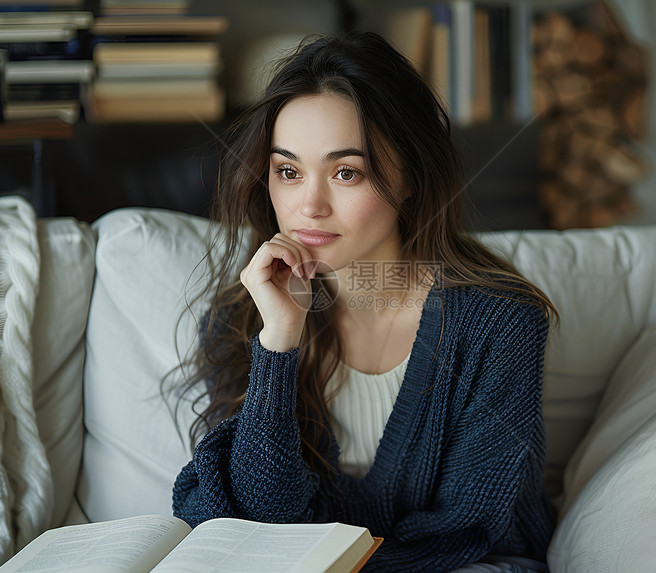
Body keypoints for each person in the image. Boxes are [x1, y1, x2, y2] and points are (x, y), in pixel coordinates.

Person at [171, 32, 558, 573]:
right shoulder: (244, 318)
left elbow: (466, 530)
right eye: (288, 171)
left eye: (345, 172)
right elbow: (256, 521)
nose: (309, 205)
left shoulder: (499, 323)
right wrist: (278, 346)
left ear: (411, 178)